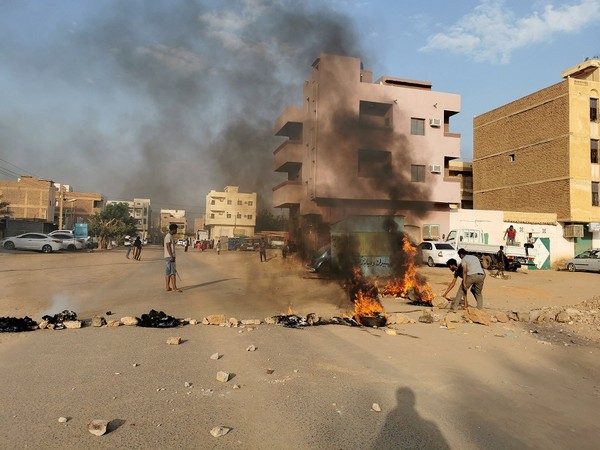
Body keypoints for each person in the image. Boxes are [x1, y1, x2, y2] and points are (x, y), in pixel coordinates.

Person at [164, 224, 181, 292]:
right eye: (176, 229)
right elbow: (168, 246)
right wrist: (171, 256)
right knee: (172, 272)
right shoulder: (168, 236)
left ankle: (167, 287)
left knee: (168, 272)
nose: (176, 231)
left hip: (168, 256)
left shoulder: (169, 236)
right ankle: (174, 287)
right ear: (173, 229)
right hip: (169, 257)